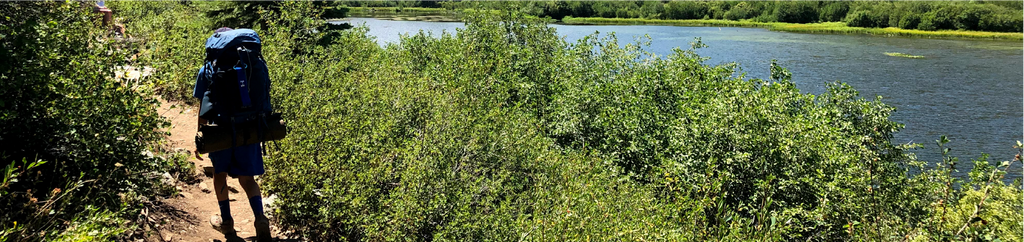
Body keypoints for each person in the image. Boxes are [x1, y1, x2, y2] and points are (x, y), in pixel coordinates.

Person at [193, 27, 272, 242]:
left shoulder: (208, 67)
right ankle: (260, 218)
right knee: (248, 178)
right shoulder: (253, 63)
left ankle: (227, 223)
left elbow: (203, 105)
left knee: (219, 175)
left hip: (221, 130)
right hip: (248, 128)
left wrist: (201, 136)